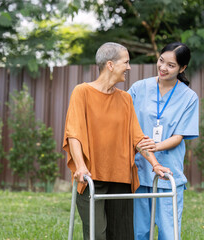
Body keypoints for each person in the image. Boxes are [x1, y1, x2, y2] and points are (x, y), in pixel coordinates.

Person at [63, 42, 171, 240]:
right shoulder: (82, 92)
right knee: (97, 234)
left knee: (122, 235)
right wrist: (80, 166)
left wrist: (155, 164)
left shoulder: (125, 99)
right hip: (91, 177)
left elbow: (137, 138)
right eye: (126, 62)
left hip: (121, 178)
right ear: (110, 65)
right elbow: (74, 134)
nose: (129, 67)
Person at [128, 42, 199, 240]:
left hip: (168, 173)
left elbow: (179, 136)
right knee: (139, 232)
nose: (163, 68)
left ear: (182, 68)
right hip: (140, 170)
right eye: (161, 61)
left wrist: (155, 146)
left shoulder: (189, 97)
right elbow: (125, 123)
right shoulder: (138, 88)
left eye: (171, 65)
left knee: (169, 233)